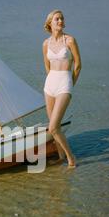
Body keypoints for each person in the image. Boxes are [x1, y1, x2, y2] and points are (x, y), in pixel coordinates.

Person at [42, 10, 81, 168]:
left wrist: (70, 84)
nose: (60, 21)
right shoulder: (46, 44)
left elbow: (78, 65)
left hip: (65, 83)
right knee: (53, 127)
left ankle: (71, 159)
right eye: (57, 19)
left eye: (62, 18)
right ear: (50, 23)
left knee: (53, 127)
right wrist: (51, 81)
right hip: (50, 84)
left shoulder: (70, 40)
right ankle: (60, 156)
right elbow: (47, 66)